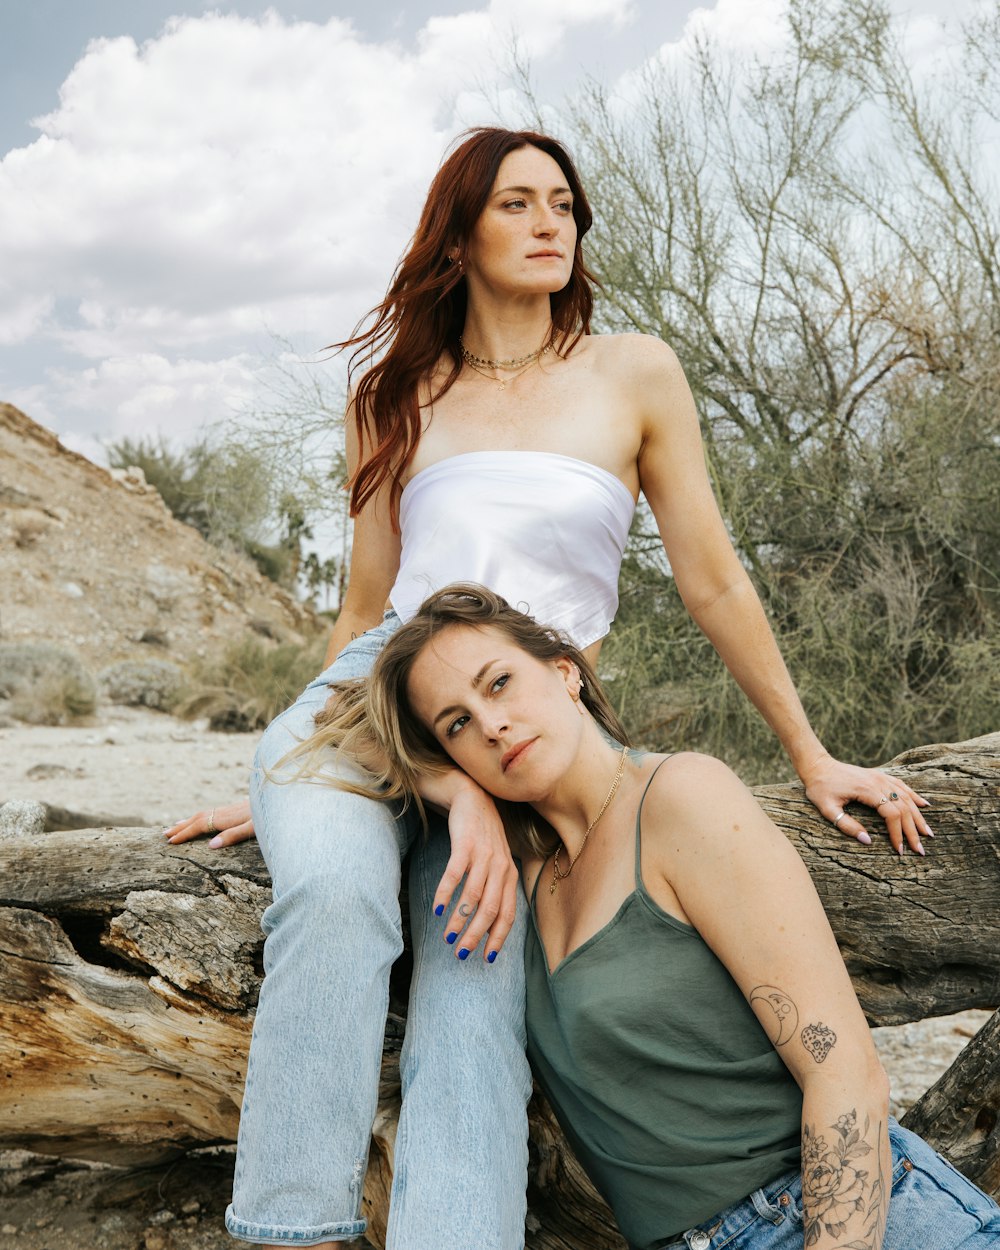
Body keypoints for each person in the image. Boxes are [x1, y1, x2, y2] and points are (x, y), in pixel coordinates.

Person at [163, 127, 932, 1249]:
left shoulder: (634, 372)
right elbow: (362, 609)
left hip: (517, 727)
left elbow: (713, 579)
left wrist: (810, 753)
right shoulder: (395, 391)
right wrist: (294, 780)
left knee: (476, 1009)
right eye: (517, 204)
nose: (548, 224)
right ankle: (295, 1228)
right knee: (333, 897)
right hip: (376, 711)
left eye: (563, 205)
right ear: (460, 232)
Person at [341, 582, 998, 1250]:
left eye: (501, 682)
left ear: (566, 672)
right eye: (456, 724)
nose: (491, 724)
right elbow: (335, 729)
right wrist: (460, 795)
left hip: (842, 1218)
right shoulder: (522, 871)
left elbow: (845, 1072)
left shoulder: (680, 797)